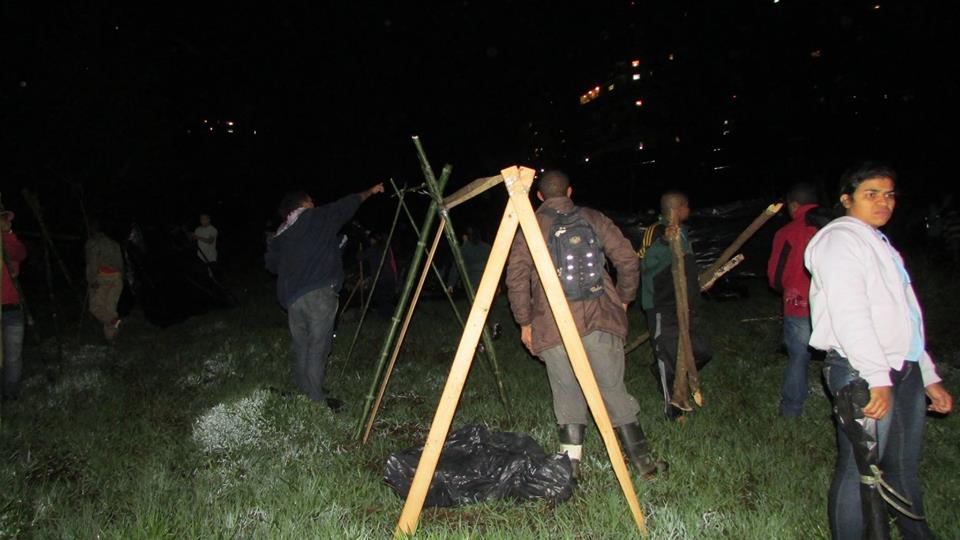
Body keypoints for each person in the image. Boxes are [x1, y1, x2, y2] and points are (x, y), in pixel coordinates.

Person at [805, 162, 953, 539]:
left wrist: (928, 373)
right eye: (871, 194)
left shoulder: (879, 244)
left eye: (889, 195)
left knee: (902, 467)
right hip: (861, 370)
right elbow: (850, 312)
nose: (884, 202)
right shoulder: (839, 240)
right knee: (860, 472)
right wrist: (875, 375)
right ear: (846, 199)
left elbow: (906, 316)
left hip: (901, 369)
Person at [506, 170, 665, 479]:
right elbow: (629, 260)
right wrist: (622, 299)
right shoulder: (594, 218)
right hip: (599, 317)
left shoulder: (531, 227)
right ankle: (643, 462)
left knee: (566, 392)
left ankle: (570, 466)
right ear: (569, 191)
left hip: (552, 325)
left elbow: (516, 279)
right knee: (612, 388)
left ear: (539, 196)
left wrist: (524, 322)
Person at [265, 183, 384, 410]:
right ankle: (316, 400)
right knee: (319, 346)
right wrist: (371, 191)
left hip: (292, 299)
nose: (314, 203)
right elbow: (348, 203)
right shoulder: (316, 217)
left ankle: (306, 388)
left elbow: (271, 265)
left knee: (303, 345)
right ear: (303, 203)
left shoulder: (281, 234)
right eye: (310, 199)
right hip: (319, 293)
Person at [640, 191, 712, 421]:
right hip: (663, 305)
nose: (689, 210)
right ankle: (673, 409)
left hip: (688, 304)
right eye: (687, 206)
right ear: (679, 208)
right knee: (667, 356)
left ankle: (667, 374)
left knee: (701, 350)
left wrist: (699, 283)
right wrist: (663, 242)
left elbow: (686, 266)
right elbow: (644, 262)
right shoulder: (657, 231)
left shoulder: (683, 233)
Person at [767, 182, 820, 418]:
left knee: (799, 357)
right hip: (836, 305)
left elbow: (777, 275)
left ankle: (791, 411)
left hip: (800, 304)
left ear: (793, 205)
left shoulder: (789, 232)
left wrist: (783, 288)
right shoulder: (836, 225)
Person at [2, 207, 27, 400]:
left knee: (13, 358)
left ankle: (11, 398)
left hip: (11, 308)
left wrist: (8, 234)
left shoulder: (8, 242)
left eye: (6, 219)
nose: (6, 222)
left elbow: (20, 254)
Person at [85, 218, 124, 341]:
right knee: (109, 309)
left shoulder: (93, 243)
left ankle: (114, 322)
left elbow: (92, 262)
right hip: (117, 279)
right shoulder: (114, 243)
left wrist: (92, 280)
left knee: (95, 307)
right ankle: (112, 338)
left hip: (103, 278)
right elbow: (121, 263)